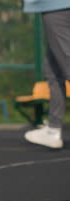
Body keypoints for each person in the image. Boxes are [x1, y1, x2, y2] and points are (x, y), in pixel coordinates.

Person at [23, 0, 70, 149]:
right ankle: (53, 130)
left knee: (65, 62)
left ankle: (53, 130)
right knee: (52, 68)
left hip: (57, 5)